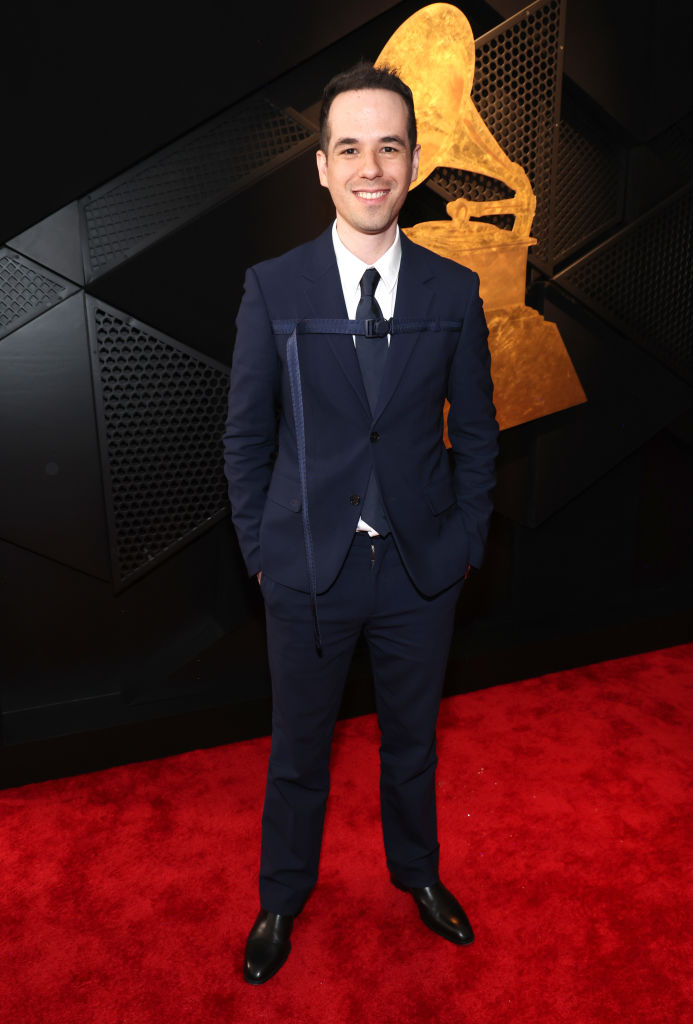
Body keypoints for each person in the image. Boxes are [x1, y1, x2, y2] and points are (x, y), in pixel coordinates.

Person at [223, 62, 499, 984]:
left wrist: (464, 543)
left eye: (389, 146)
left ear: (415, 161)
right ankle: (280, 898)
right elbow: (244, 439)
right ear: (322, 167)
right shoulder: (273, 287)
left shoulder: (455, 293)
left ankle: (416, 877)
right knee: (300, 751)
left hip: (420, 569)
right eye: (350, 147)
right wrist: (262, 552)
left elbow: (481, 436)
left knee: (411, 743)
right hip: (306, 568)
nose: (369, 167)